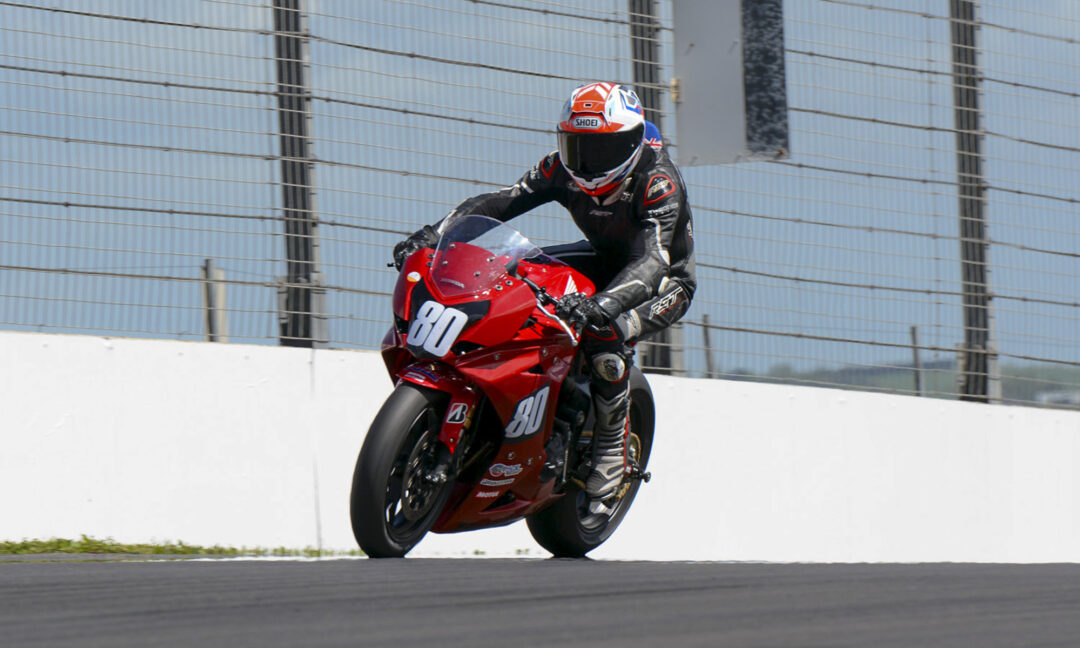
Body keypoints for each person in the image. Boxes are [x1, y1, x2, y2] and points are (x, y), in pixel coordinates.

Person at [393, 82, 696, 518]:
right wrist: (435, 233)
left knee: (605, 334)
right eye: (578, 147)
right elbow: (499, 203)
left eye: (601, 150)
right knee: (517, 274)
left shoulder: (657, 183)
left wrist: (603, 306)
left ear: (629, 143)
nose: (587, 163)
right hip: (601, 258)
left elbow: (652, 261)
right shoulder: (560, 169)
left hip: (663, 283)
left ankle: (610, 452)